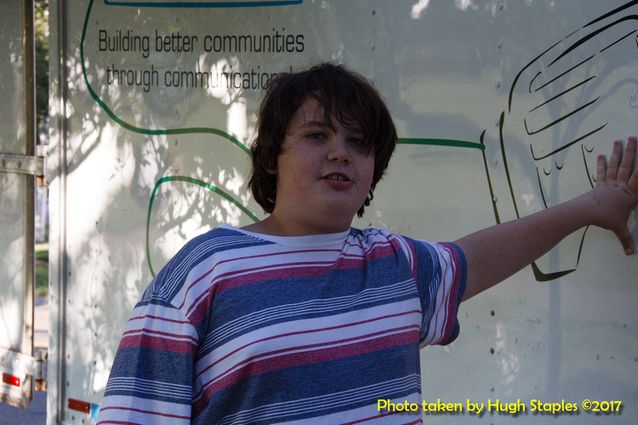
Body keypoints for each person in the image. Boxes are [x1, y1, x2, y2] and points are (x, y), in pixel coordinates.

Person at [97, 63, 638, 425]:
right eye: (317, 136)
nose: (340, 153)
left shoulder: (391, 263)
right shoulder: (203, 272)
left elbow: (481, 254)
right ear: (270, 158)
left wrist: (594, 207)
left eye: (359, 142)